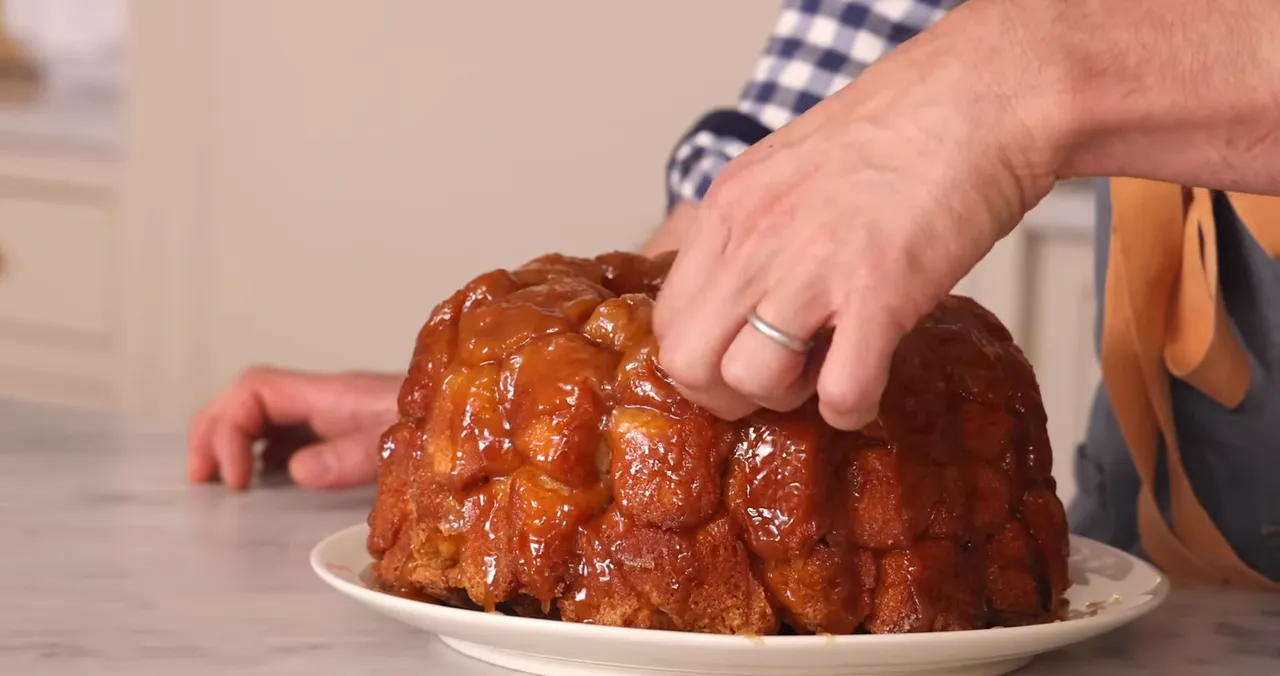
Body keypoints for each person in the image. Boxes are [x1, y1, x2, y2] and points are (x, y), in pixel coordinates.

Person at [188, 0, 1280, 590]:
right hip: (1160, 569)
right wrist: (562, 414)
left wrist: (1025, 69)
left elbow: (972, 80)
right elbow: (857, 76)